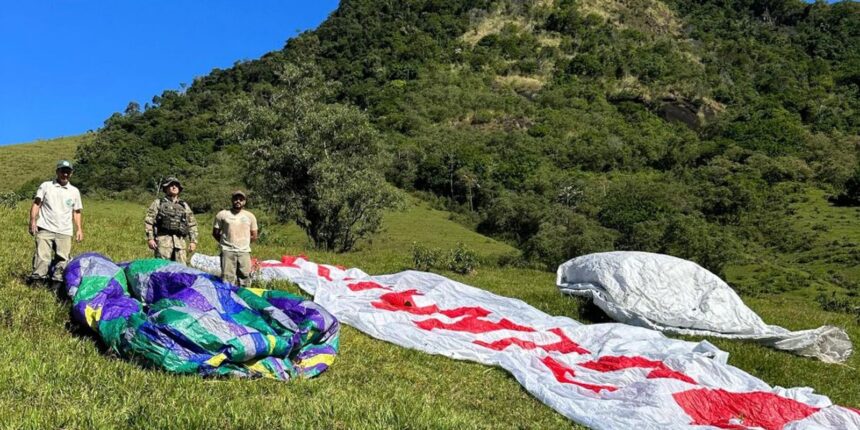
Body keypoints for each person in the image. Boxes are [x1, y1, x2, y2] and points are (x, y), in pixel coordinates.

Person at [28, 160, 83, 288]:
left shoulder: (74, 191)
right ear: (57, 172)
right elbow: (37, 204)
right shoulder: (46, 186)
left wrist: (79, 229)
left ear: (71, 173)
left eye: (68, 172)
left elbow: (77, 211)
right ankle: (38, 281)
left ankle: (56, 284)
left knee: (63, 258)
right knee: (42, 256)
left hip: (65, 230)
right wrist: (32, 220)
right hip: (45, 227)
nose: (65, 174)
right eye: (63, 171)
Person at [144, 177, 198, 264]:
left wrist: (193, 241)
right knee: (162, 268)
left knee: (181, 270)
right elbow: (149, 221)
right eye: (171, 185)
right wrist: (150, 239)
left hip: (180, 245)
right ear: (166, 188)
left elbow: (192, 224)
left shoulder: (184, 205)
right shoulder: (158, 203)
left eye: (176, 185)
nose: (174, 187)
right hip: (163, 243)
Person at [212, 190, 258, 286]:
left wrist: (244, 244)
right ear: (232, 200)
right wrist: (225, 243)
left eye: (241, 199)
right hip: (227, 251)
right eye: (236, 199)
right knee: (227, 279)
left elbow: (254, 235)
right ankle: (228, 295)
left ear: (244, 201)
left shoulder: (250, 216)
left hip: (244, 252)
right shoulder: (222, 214)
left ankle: (243, 295)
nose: (238, 201)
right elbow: (215, 233)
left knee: (245, 278)